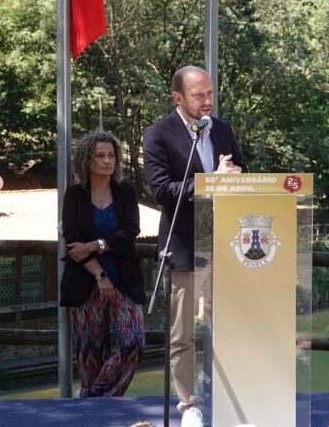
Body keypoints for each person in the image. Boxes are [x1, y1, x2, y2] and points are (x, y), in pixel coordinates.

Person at [144, 66, 246, 427]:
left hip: (226, 248)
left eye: (210, 93)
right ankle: (190, 406)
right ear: (178, 98)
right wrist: (210, 182)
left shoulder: (223, 130)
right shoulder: (158, 134)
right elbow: (163, 192)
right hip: (185, 249)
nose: (207, 101)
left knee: (228, 330)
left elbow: (242, 176)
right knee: (182, 335)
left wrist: (233, 179)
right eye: (199, 95)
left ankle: (232, 399)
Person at [59, 131, 146, 397]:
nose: (107, 161)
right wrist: (100, 275)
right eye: (100, 156)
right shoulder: (74, 195)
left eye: (111, 155)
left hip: (123, 281)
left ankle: (95, 399)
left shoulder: (126, 192)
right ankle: (95, 414)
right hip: (87, 282)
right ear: (87, 160)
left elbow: (130, 231)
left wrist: (96, 245)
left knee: (133, 343)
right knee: (90, 353)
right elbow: (73, 243)